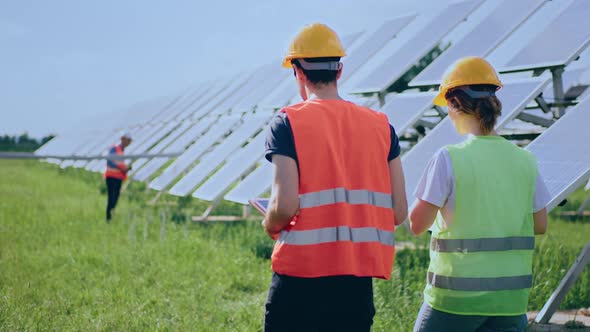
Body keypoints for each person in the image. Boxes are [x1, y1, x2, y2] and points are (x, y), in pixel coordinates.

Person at [262, 23, 408, 332]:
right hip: (355, 286)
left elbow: (284, 205)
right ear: (339, 71)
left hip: (298, 282)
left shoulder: (287, 122)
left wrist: (269, 223)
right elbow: (398, 212)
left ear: (298, 72)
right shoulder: (382, 126)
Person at [409, 56, 549, 332]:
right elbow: (540, 225)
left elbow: (416, 225)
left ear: (454, 104)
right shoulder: (526, 160)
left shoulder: (448, 158)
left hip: (453, 303)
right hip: (509, 303)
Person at [104, 133, 132, 222]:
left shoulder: (121, 151)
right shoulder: (115, 149)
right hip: (111, 177)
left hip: (118, 178)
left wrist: (126, 169)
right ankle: (109, 218)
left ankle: (111, 216)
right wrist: (122, 168)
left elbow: (119, 164)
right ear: (122, 139)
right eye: (127, 140)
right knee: (112, 197)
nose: (128, 142)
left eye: (129, 141)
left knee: (115, 198)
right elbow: (110, 162)